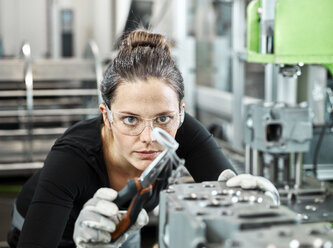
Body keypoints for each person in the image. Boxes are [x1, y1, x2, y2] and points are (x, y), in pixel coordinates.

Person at [7, 29, 278, 248]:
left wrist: (255, 207)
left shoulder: (181, 128)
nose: (149, 138)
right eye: (130, 119)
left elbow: (228, 193)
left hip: (128, 229)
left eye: (162, 118)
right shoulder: (71, 159)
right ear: (107, 116)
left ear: (181, 114)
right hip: (53, 232)